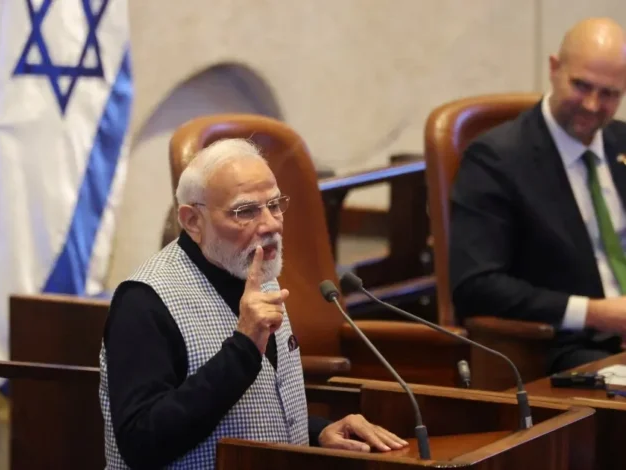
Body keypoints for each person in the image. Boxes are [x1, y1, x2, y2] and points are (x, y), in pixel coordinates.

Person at [99, 138, 407, 469]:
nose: (271, 224)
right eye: (246, 211)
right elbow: (141, 443)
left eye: (274, 205)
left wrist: (317, 432)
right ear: (192, 221)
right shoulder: (144, 301)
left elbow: (254, 409)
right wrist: (243, 347)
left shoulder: (254, 270)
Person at [450, 17, 626, 373]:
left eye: (608, 94)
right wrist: (594, 313)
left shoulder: (621, 143)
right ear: (554, 69)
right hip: (567, 348)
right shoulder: (497, 159)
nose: (592, 105)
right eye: (581, 86)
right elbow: (476, 285)